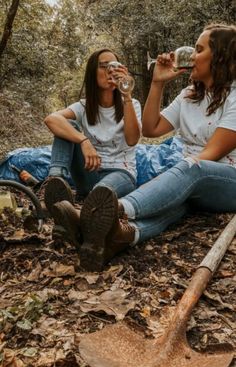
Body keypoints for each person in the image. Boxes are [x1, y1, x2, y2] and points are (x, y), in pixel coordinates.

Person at [52, 23, 236, 271]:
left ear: (221, 57)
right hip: (194, 181)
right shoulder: (189, 95)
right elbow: (151, 129)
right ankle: (115, 239)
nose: (191, 56)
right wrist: (157, 82)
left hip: (225, 180)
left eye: (199, 49)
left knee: (192, 168)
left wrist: (173, 179)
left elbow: (210, 156)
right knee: (175, 205)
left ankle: (107, 211)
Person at [43, 48, 141, 237]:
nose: (110, 71)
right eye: (104, 66)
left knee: (100, 194)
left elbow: (132, 139)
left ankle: (75, 216)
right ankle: (55, 183)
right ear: (92, 73)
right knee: (66, 124)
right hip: (90, 171)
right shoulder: (83, 106)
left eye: (115, 66)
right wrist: (83, 139)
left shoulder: (132, 103)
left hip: (121, 173)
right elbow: (51, 119)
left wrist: (126, 94)